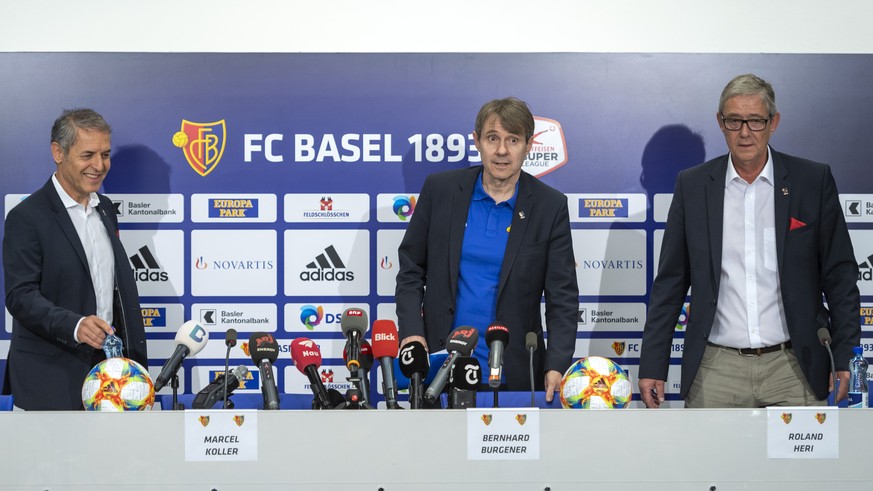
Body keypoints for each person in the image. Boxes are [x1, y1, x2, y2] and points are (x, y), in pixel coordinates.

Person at [639, 74, 860, 408]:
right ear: (721, 123)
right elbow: (670, 283)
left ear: (773, 123)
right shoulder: (693, 186)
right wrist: (653, 363)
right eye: (734, 121)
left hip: (795, 368)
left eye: (755, 121)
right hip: (715, 369)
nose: (745, 132)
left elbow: (840, 277)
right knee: (712, 462)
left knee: (798, 463)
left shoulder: (812, 181)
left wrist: (843, 356)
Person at [395, 97, 578, 401]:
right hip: (440, 369)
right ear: (476, 141)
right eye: (493, 138)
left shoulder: (550, 206)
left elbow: (563, 296)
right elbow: (411, 270)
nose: (502, 150)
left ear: (529, 145)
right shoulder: (440, 191)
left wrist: (557, 364)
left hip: (515, 373)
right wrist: (412, 332)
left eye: (513, 140)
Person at [3, 108, 147, 410]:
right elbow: (20, 296)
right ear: (58, 152)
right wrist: (76, 324)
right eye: (88, 155)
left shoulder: (106, 208)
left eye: (105, 154)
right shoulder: (27, 217)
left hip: (111, 379)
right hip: (50, 380)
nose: (99, 165)